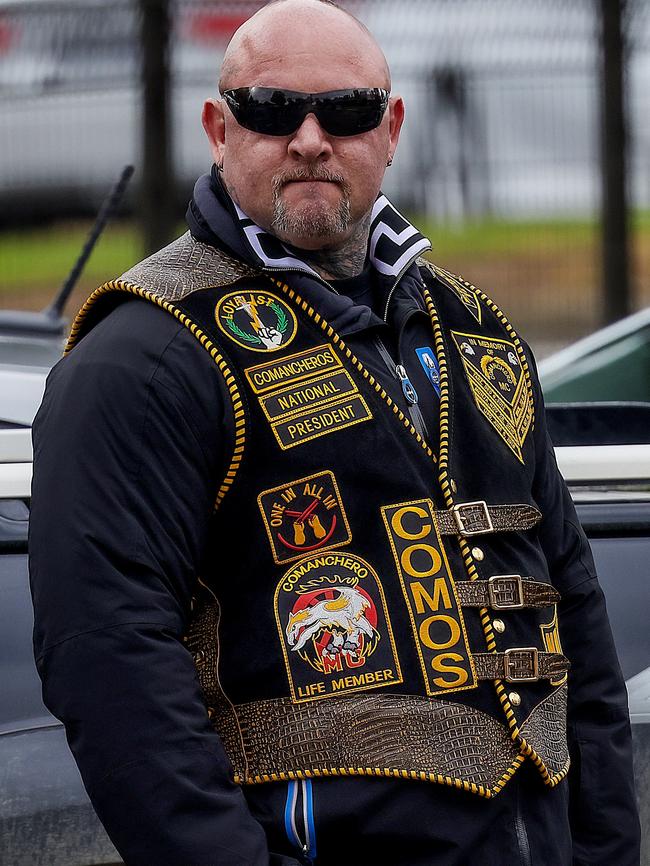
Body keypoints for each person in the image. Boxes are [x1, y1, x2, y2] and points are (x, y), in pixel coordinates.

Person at [29, 1, 641, 864]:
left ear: (390, 129)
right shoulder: (146, 355)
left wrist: (608, 848)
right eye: (273, 110)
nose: (311, 138)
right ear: (218, 127)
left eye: (346, 110)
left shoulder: (476, 328)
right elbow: (107, 657)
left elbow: (573, 607)